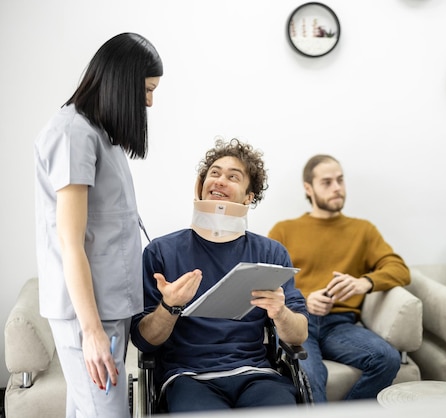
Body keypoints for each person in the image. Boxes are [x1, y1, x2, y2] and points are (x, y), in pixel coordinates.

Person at [34, 33, 162, 417]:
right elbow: (69, 243)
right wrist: (90, 332)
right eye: (147, 90)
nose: (150, 102)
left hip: (109, 306)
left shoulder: (101, 134)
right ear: (123, 83)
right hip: (88, 314)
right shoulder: (73, 135)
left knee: (86, 409)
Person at [129, 138, 309, 413]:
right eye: (214, 173)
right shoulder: (161, 252)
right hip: (188, 378)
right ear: (200, 186)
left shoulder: (271, 253)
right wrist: (169, 306)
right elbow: (143, 340)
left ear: (249, 197)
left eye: (233, 176)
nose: (220, 180)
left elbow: (298, 336)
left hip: (257, 375)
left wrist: (280, 312)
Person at [268, 154, 410, 403]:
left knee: (387, 358)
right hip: (298, 321)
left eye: (340, 180)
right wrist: (305, 300)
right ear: (308, 188)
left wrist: (364, 282)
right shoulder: (284, 230)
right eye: (327, 182)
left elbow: (399, 269)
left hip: (340, 325)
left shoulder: (363, 230)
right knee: (310, 374)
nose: (337, 188)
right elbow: (268, 281)